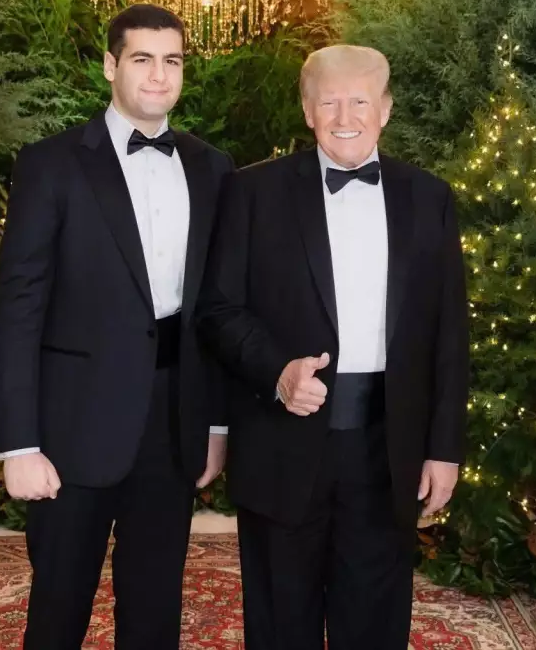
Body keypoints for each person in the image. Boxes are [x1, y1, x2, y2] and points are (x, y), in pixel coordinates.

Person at [196, 43, 470, 649]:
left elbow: (449, 333)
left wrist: (444, 448)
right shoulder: (252, 192)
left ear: (386, 109)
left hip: (388, 448)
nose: (345, 118)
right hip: (281, 442)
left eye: (360, 102)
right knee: (280, 623)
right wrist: (277, 371)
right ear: (307, 110)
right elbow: (218, 311)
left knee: (373, 624)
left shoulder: (430, 198)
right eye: (329, 103)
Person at [0, 3, 232, 650]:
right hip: (72, 428)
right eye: (142, 59)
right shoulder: (50, 163)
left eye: (172, 60)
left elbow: (215, 308)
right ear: (109, 65)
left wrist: (214, 424)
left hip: (172, 423)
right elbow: (18, 306)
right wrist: (17, 443)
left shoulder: (213, 168)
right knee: (58, 607)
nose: (159, 75)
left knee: (155, 608)